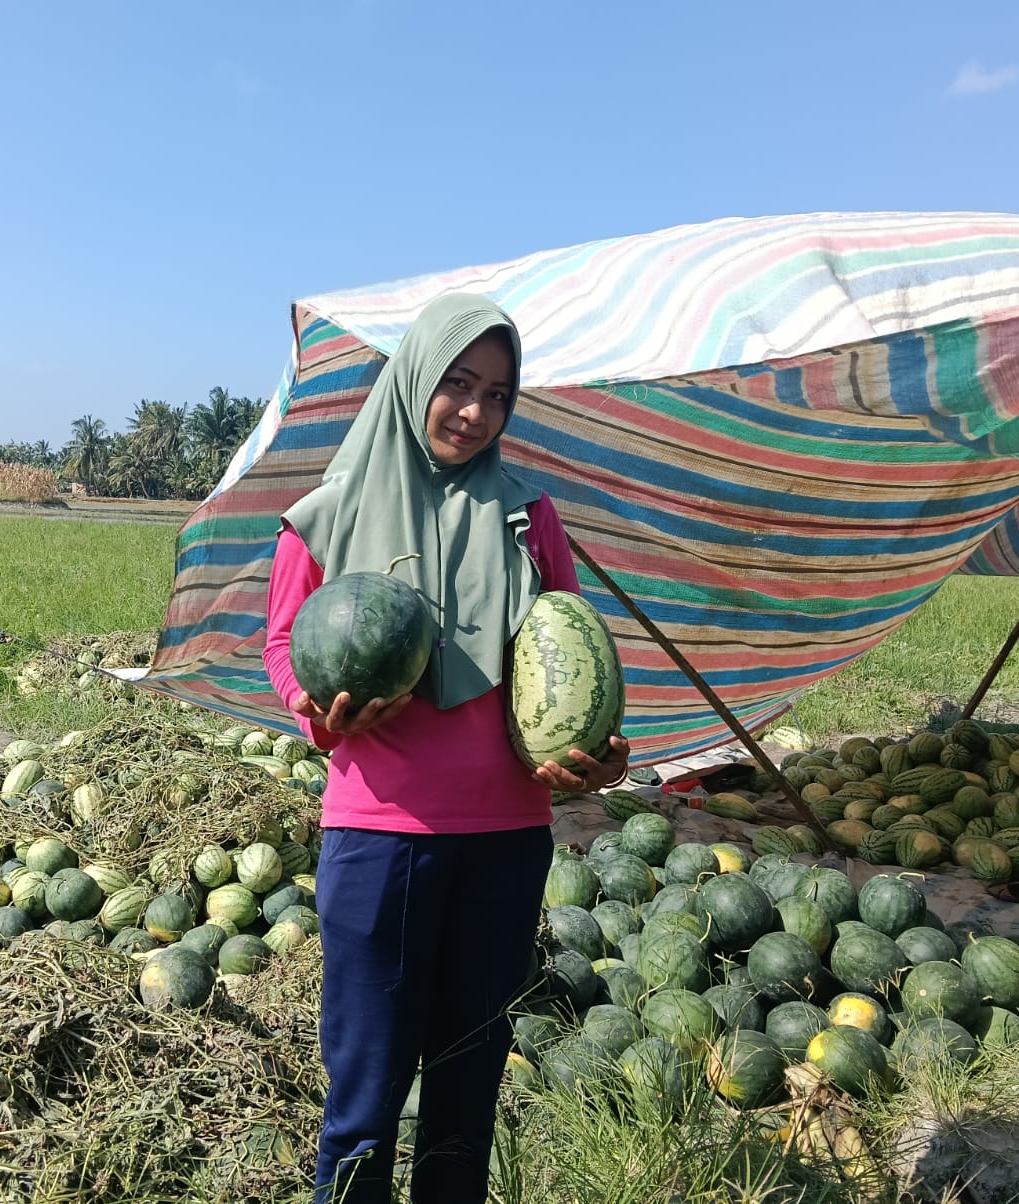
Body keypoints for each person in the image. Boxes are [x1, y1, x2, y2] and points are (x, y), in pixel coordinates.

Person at [262, 292, 630, 1204]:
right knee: (365, 1096)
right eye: (457, 384)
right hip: (380, 836)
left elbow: (566, 642)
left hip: (507, 838)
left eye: (499, 394)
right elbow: (281, 644)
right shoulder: (326, 514)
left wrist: (600, 754)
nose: (475, 411)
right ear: (415, 378)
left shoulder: (528, 516)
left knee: (467, 1092)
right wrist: (318, 709)